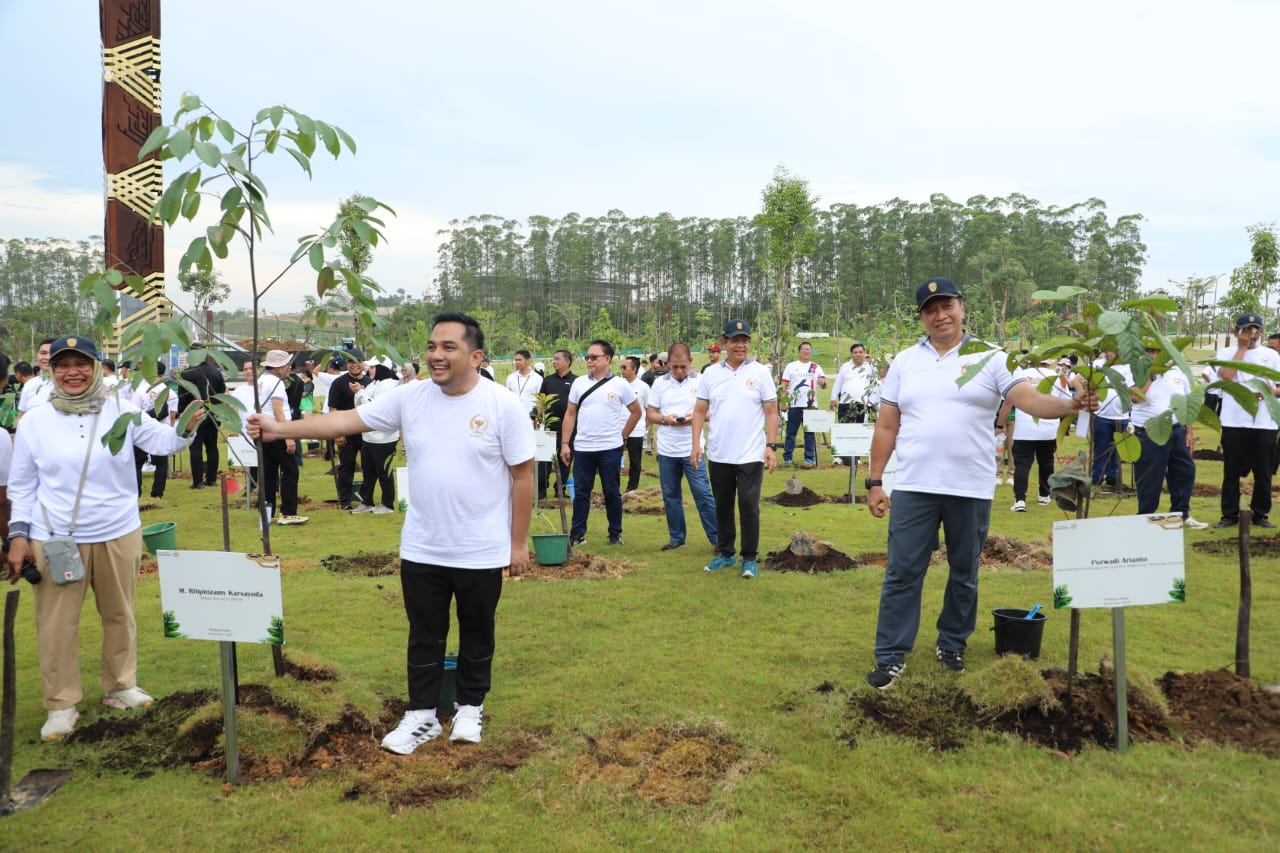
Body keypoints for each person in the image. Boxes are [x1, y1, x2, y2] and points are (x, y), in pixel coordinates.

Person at [248, 312, 533, 752]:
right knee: (424, 633)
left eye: (449, 347)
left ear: (475, 356)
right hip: (423, 545)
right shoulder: (411, 398)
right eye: (432, 346)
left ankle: (470, 708)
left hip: (480, 548)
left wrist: (517, 543)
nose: (436, 355)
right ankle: (421, 716)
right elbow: (343, 422)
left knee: (478, 631)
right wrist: (279, 428)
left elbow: (523, 476)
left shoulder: (502, 406)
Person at [864, 278, 1096, 689]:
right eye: (931, 309)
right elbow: (887, 424)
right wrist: (875, 481)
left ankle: (951, 643)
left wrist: (1068, 404)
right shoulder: (904, 361)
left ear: (962, 308)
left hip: (969, 486)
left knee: (964, 571)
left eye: (947, 305)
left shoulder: (990, 357)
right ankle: (891, 656)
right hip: (915, 484)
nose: (941, 316)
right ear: (921, 317)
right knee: (902, 572)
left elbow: (1028, 400)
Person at [6, 334, 202, 740]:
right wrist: (19, 537)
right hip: (55, 537)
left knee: (119, 613)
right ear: (51, 370)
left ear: (97, 367)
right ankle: (61, 704)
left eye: (81, 363)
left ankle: (120, 685)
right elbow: (22, 485)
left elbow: (163, 442)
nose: (71, 372)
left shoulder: (119, 409)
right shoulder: (35, 422)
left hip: (117, 531)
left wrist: (188, 425)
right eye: (62, 365)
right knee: (57, 624)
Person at [691, 319, 780, 579]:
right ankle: (726, 553)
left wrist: (771, 446)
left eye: (744, 340)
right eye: (735, 340)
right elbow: (699, 411)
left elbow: (771, 411)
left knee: (749, 504)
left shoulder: (761, 372)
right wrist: (696, 443)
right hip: (719, 452)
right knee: (723, 504)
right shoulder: (711, 373)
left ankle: (749, 558)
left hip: (751, 452)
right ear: (725, 342)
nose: (740, 345)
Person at [559, 339, 641, 547]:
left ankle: (615, 533)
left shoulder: (620, 384)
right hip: (584, 447)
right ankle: (577, 534)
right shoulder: (579, 383)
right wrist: (565, 443)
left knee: (612, 492)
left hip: (610, 449)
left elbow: (636, 412)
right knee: (581, 493)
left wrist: (623, 435)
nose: (589, 360)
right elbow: (570, 414)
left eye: (594, 357)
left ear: (607, 359)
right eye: (587, 357)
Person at [647, 343, 717, 552]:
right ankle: (677, 537)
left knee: (703, 494)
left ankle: (717, 539)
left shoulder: (703, 381)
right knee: (670, 496)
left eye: (683, 367)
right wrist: (665, 419)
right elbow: (650, 413)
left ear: (691, 363)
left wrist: (693, 418)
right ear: (668, 363)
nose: (679, 372)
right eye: (674, 367)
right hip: (667, 449)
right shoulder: (660, 383)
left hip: (692, 448)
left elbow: (712, 410)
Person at [1212, 313, 1280, 529]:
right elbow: (1227, 375)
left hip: (1264, 422)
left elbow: (1278, 386)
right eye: (1246, 329)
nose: (1251, 334)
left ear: (1261, 331)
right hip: (1234, 421)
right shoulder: (1226, 352)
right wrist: (1241, 348)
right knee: (1231, 471)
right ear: (1236, 331)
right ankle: (1229, 514)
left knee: (1264, 472)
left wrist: (1271, 391)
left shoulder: (1271, 355)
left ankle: (1260, 513)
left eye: (1255, 329)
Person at [1130, 348, 1207, 529]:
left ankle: (1182, 515)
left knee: (1185, 471)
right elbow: (1134, 397)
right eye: (1150, 351)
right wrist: (1149, 373)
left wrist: (1189, 432)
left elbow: (1187, 403)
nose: (1155, 355)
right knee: (1150, 477)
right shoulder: (1137, 370)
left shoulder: (1177, 371)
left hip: (1177, 431)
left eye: (1158, 351)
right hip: (1149, 434)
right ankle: (1145, 518)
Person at [998, 357, 1073, 511]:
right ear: (1049, 362)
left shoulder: (1020, 376)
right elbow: (1066, 402)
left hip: (1024, 429)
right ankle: (1044, 495)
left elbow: (1007, 402)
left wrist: (1000, 424)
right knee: (1046, 463)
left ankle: (1020, 500)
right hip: (1049, 429)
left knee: (1022, 465)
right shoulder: (1058, 377)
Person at [258, 350, 308, 525]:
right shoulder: (276, 383)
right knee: (290, 470)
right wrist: (288, 437)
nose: (289, 367)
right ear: (279, 367)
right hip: (277, 431)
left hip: (264, 432)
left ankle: (267, 512)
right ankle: (287, 512)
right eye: (286, 364)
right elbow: (278, 410)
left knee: (269, 472)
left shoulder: (261, 380)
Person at [351, 364, 400, 515]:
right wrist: (359, 392)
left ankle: (388, 504)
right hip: (368, 436)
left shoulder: (388, 385)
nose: (369, 370)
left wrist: (360, 392)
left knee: (384, 472)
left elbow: (375, 408)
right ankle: (367, 501)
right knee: (368, 472)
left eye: (373, 367)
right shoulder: (374, 383)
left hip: (384, 438)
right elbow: (361, 406)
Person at [178, 346, 226, 489]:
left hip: (194, 414)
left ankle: (197, 480)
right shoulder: (215, 372)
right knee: (212, 447)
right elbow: (221, 392)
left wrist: (182, 413)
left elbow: (182, 396)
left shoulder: (186, 373)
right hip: (213, 413)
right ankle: (211, 479)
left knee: (195, 447)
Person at [327, 354, 370, 510]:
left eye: (357, 361)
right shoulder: (339, 383)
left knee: (369, 466)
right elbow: (333, 409)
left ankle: (367, 498)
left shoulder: (369, 382)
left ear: (363, 363)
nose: (354, 365)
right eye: (351, 362)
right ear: (346, 364)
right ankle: (344, 500)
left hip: (366, 431)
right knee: (347, 467)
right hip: (346, 431)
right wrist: (338, 432)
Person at [1089, 350, 1132, 489]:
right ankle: (1097, 476)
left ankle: (1113, 477)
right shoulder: (1097, 365)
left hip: (1122, 416)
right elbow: (1079, 380)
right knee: (1101, 447)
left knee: (1117, 449)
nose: (1110, 352)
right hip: (1102, 415)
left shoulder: (1129, 367)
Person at [537, 349, 576, 501]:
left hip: (569, 428)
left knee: (565, 459)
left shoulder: (576, 381)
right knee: (544, 460)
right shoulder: (547, 380)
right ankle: (541, 488)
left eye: (557, 359)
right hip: (549, 426)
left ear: (567, 361)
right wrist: (538, 415)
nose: (554, 362)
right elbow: (541, 401)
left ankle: (560, 488)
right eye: (553, 359)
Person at [830, 342, 877, 466]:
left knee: (859, 430)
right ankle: (839, 456)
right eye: (855, 352)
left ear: (864, 353)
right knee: (843, 429)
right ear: (851, 354)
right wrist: (833, 398)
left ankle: (856, 456)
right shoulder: (845, 367)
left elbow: (877, 382)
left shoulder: (870, 368)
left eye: (860, 352)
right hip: (845, 402)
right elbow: (838, 384)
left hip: (862, 404)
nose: (858, 355)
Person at [780, 342, 826, 467]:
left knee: (809, 433)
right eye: (804, 349)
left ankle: (809, 458)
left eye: (809, 349)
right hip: (794, 405)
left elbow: (824, 384)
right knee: (791, 432)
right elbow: (784, 385)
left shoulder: (815, 367)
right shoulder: (791, 366)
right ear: (799, 351)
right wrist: (783, 402)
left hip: (810, 405)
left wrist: (822, 382)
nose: (807, 351)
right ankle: (787, 457)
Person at [620, 356, 650, 495]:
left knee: (635, 460)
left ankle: (632, 489)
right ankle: (613, 487)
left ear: (634, 369)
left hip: (636, 430)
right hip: (618, 429)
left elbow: (649, 409)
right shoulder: (618, 384)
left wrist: (645, 426)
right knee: (613, 460)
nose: (622, 370)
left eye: (624, 367)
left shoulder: (643, 387)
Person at [17, 337, 54, 419]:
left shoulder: (68, 384)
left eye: (52, 353)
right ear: (37, 355)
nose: (47, 357)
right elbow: (21, 415)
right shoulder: (30, 384)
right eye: (43, 353)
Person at [505, 349, 542, 417]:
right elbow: (506, 397)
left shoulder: (537, 378)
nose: (517, 362)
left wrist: (537, 417)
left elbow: (540, 400)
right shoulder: (511, 377)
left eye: (520, 360)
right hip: (514, 415)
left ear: (528, 361)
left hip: (531, 416)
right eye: (516, 360)